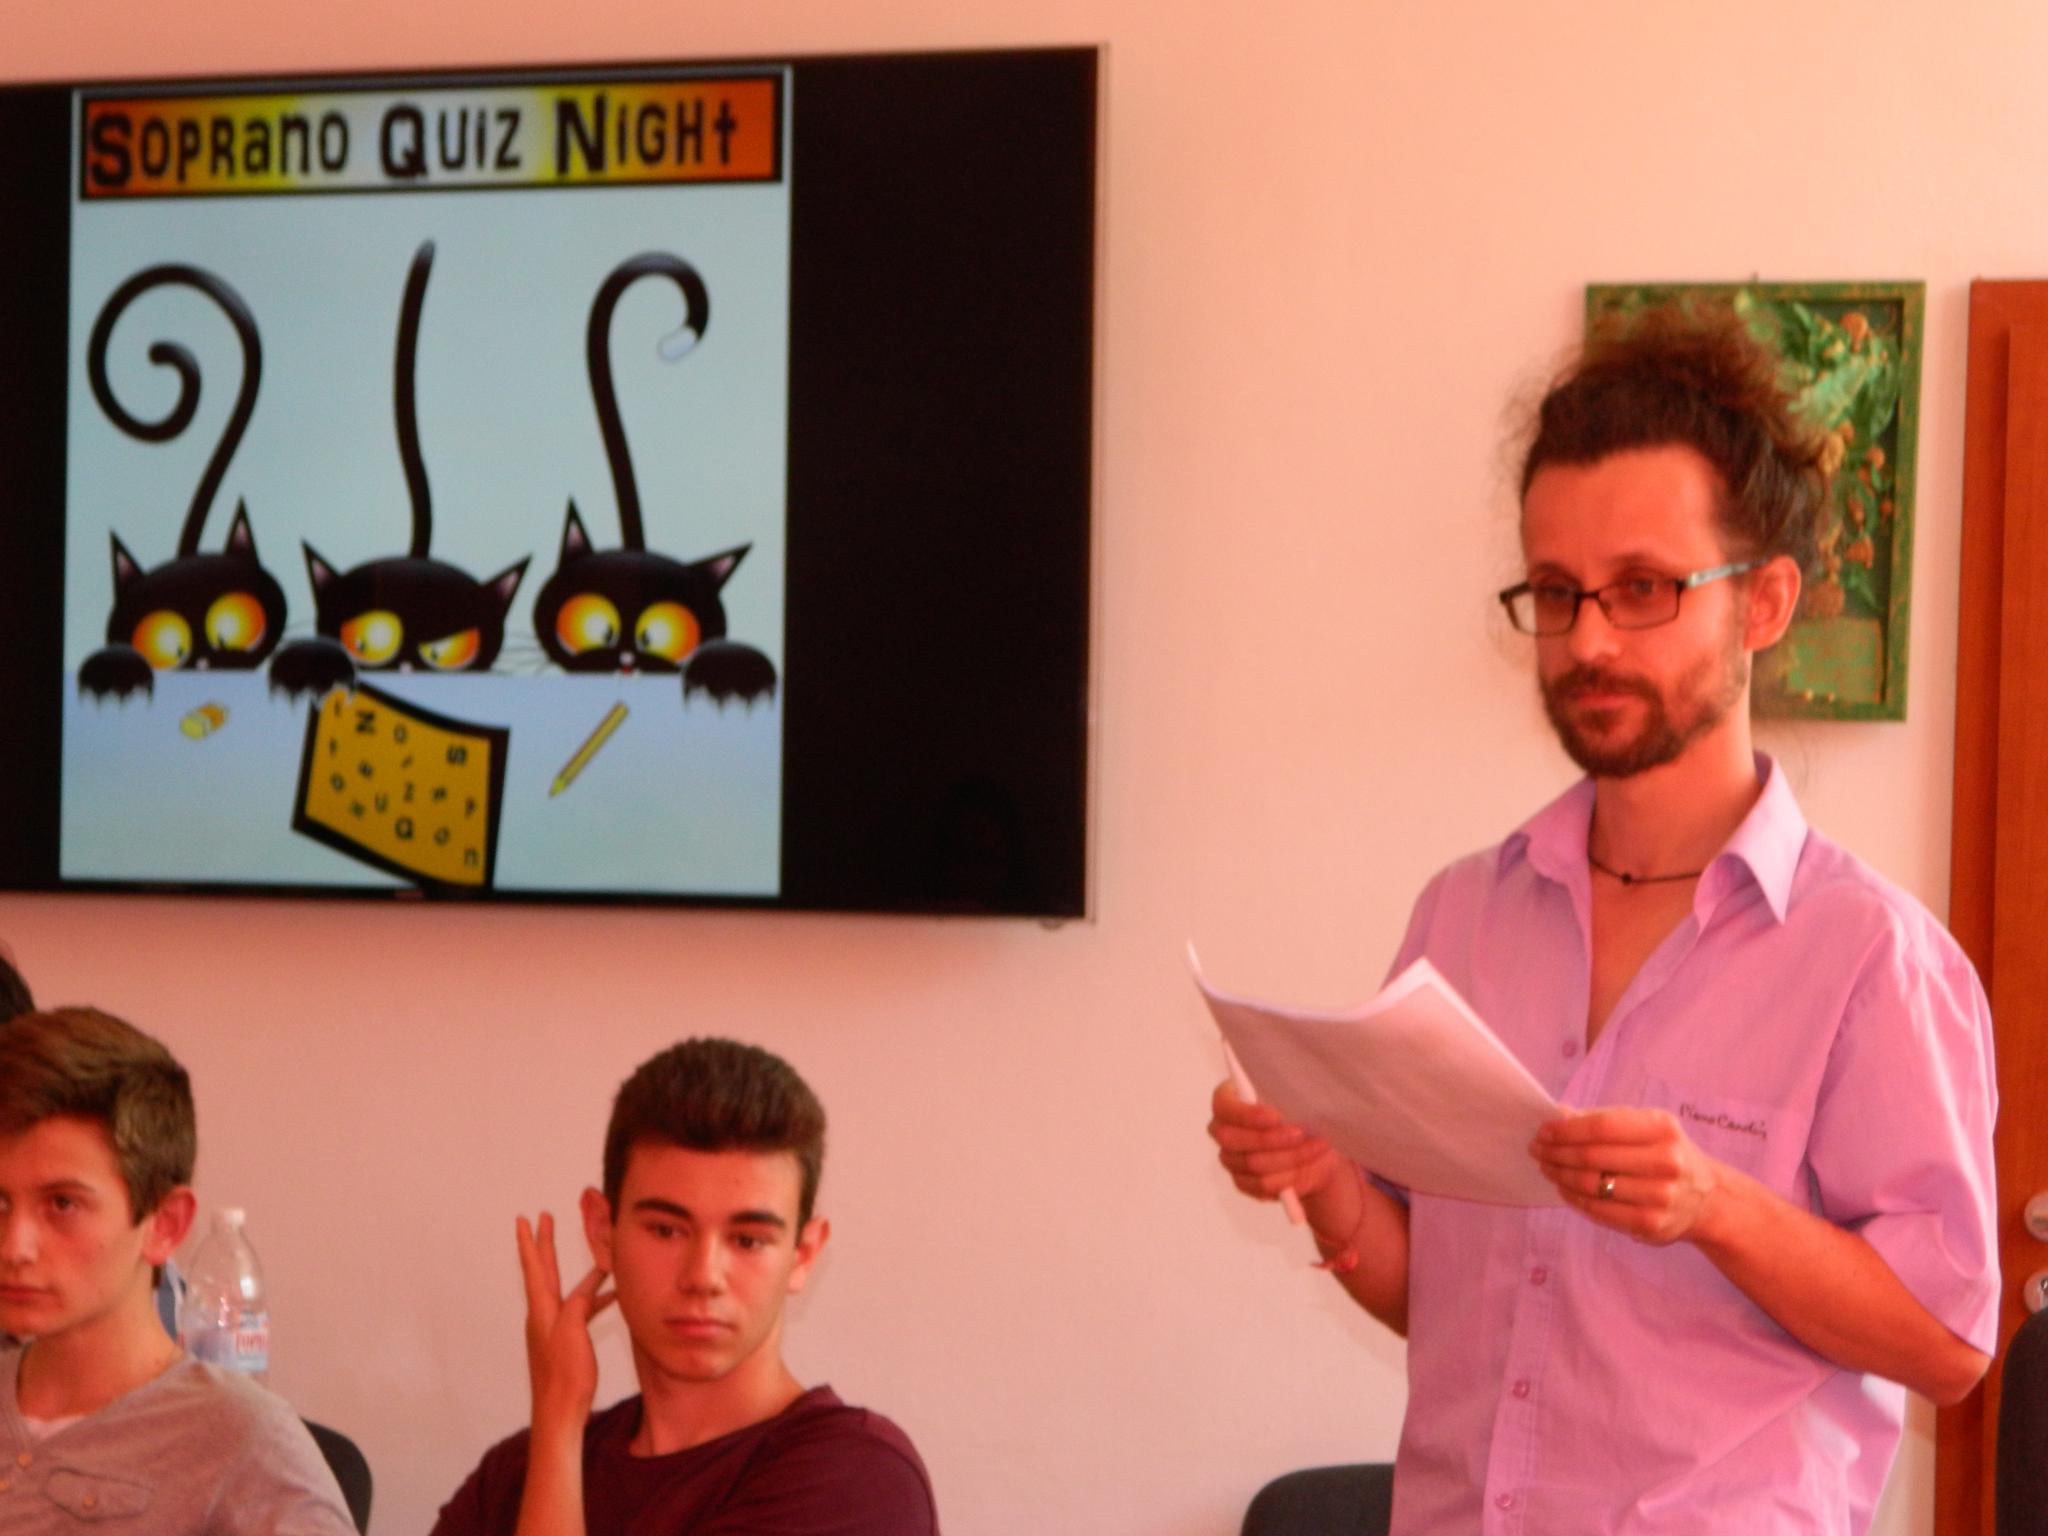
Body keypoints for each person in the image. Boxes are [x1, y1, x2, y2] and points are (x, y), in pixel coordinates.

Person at [1208, 303, 1999, 1533]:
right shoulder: (1460, 915)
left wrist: (1713, 1206)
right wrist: (1322, 1183)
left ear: (1763, 603)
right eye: (1555, 591)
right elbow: (1443, 1300)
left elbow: (1946, 1347)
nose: (1585, 640)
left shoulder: (1871, 959)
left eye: (1640, 589)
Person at [433, 1037, 938, 1536]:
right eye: (666, 1230)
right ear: (602, 1231)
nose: (702, 1277)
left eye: (747, 1240)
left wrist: (558, 1413)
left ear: (802, 1255)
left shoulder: (859, 1478)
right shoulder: (514, 1477)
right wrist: (558, 1426)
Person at [0, 1006, 355, 1534]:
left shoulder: (241, 1444)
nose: (14, 1247)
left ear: (164, 1225)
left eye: (62, 1204)